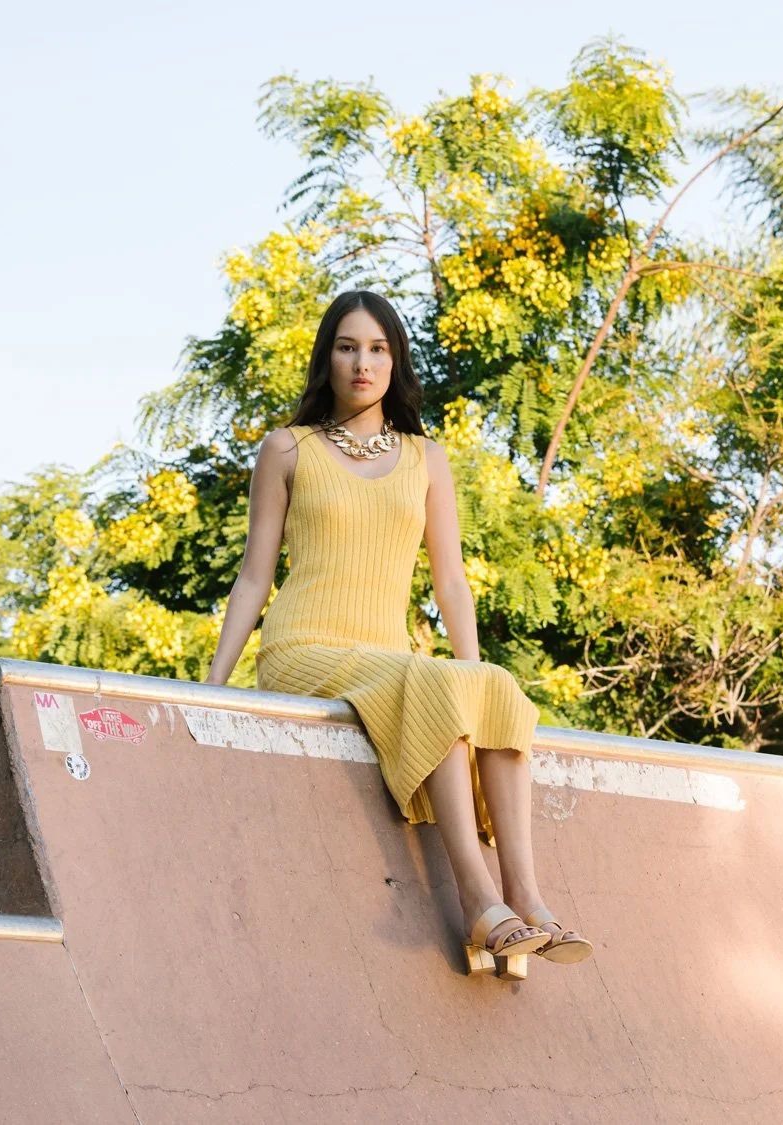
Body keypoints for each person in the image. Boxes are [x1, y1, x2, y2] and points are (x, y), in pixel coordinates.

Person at [203, 289, 592, 978]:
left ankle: (526, 896)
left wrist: (475, 683)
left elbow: (452, 582)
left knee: (495, 687)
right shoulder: (289, 449)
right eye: (347, 347)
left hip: (387, 659)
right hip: (305, 650)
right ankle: (478, 902)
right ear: (326, 358)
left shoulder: (425, 458)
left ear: (395, 361)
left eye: (378, 349)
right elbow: (254, 577)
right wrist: (213, 686)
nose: (363, 363)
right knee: (434, 682)